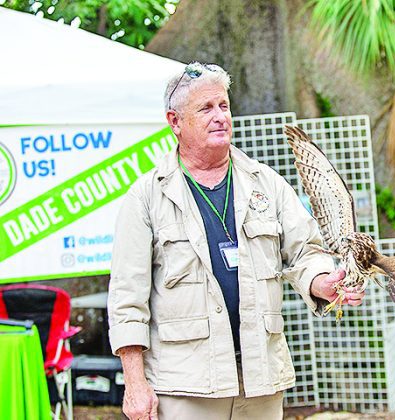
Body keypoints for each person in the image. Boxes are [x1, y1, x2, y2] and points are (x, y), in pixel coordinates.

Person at [107, 62, 365, 420]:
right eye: (206, 108)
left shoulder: (266, 183)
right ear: (175, 121)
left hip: (261, 381)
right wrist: (135, 385)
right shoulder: (147, 196)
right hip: (186, 388)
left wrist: (324, 282)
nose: (220, 117)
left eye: (224, 106)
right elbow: (126, 299)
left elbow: (307, 250)